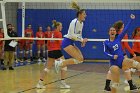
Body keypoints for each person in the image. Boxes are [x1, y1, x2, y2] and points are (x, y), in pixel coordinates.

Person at [103, 14, 140, 93]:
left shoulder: (119, 37)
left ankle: (131, 85)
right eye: (111, 30)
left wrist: (131, 19)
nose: (112, 31)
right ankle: (108, 86)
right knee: (116, 83)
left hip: (122, 60)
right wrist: (112, 56)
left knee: (136, 64)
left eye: (113, 30)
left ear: (116, 32)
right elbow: (105, 52)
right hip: (114, 63)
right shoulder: (106, 42)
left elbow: (126, 29)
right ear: (108, 32)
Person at [54, 1, 87, 73]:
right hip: (67, 42)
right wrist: (81, 40)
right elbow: (72, 35)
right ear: (80, 14)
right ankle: (60, 63)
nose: (85, 15)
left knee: (81, 59)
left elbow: (79, 35)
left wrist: (82, 41)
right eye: (84, 14)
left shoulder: (81, 23)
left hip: (71, 42)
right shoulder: (74, 22)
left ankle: (60, 63)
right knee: (79, 58)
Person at [36, 20, 70, 89]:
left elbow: (48, 43)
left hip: (50, 51)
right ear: (57, 26)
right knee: (64, 66)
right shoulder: (59, 33)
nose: (62, 27)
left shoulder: (50, 33)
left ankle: (39, 83)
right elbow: (60, 43)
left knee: (47, 68)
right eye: (61, 26)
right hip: (56, 50)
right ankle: (63, 83)